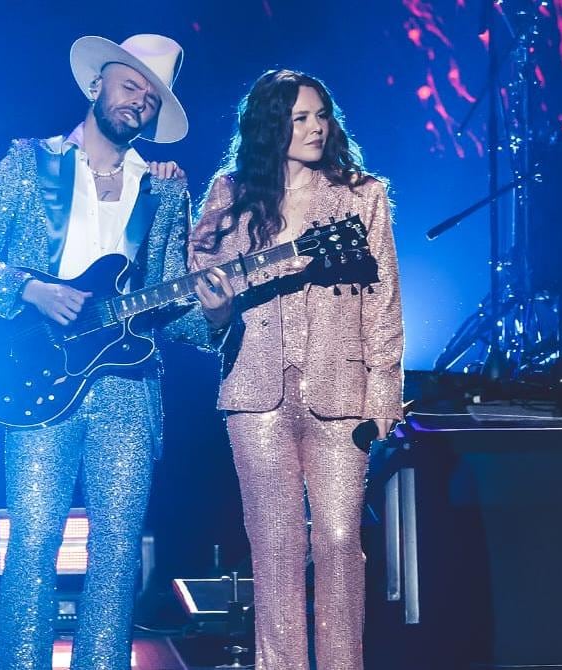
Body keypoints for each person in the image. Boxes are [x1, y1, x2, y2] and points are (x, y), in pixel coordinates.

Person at [0, 34, 231, 669]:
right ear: (97, 83)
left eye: (151, 97)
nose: (139, 102)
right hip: (37, 376)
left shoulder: (165, 191)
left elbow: (169, 311)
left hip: (128, 385)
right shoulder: (29, 163)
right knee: (33, 544)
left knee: (118, 552)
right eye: (131, 85)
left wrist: (213, 313)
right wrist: (29, 288)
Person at [189, 69, 405, 670]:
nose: (315, 128)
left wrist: (383, 396)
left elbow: (384, 301)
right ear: (268, 127)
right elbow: (203, 301)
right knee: (276, 546)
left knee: (338, 540)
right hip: (254, 393)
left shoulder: (362, 196)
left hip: (341, 392)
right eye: (299, 118)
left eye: (321, 116)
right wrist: (215, 310)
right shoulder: (230, 196)